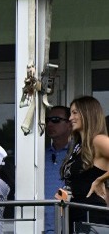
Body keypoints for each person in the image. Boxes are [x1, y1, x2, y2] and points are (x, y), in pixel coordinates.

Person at [56, 96, 109, 228]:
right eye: (70, 114)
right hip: (73, 213)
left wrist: (100, 180)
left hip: (91, 215)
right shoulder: (78, 146)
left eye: (75, 113)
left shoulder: (99, 140)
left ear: (88, 114)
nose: (70, 118)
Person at [45, 106, 71, 233]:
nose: (49, 123)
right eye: (47, 119)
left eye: (55, 120)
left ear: (69, 124)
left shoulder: (78, 155)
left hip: (67, 227)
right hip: (38, 226)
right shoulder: (38, 157)